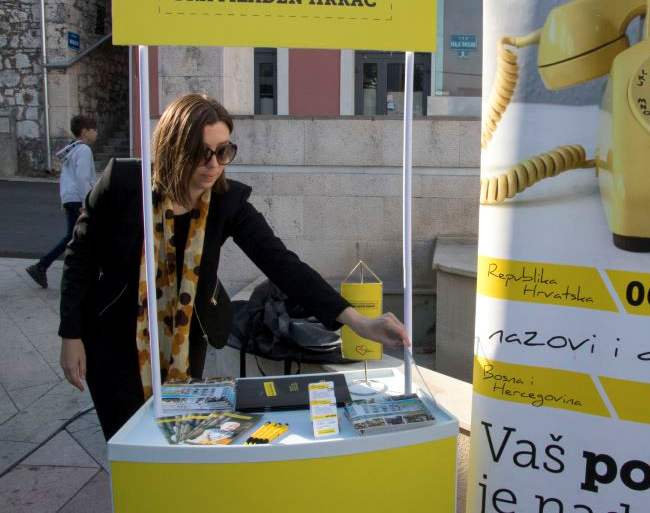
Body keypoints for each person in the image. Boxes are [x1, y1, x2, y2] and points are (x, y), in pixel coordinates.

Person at [58, 93, 409, 439]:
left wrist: (359, 322)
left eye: (224, 151)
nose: (214, 164)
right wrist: (70, 336)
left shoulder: (228, 201)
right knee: (129, 444)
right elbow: (79, 259)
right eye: (202, 153)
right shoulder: (123, 183)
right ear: (173, 148)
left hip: (185, 338)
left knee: (178, 438)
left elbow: (282, 264)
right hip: (115, 339)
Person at [26, 115, 98, 289]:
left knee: (74, 237)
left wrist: (65, 200)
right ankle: (43, 266)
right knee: (77, 237)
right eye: (94, 130)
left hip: (70, 198)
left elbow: (66, 177)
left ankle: (45, 266)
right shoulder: (84, 150)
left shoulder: (71, 150)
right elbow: (82, 178)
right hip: (78, 200)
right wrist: (86, 203)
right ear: (85, 131)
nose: (96, 133)